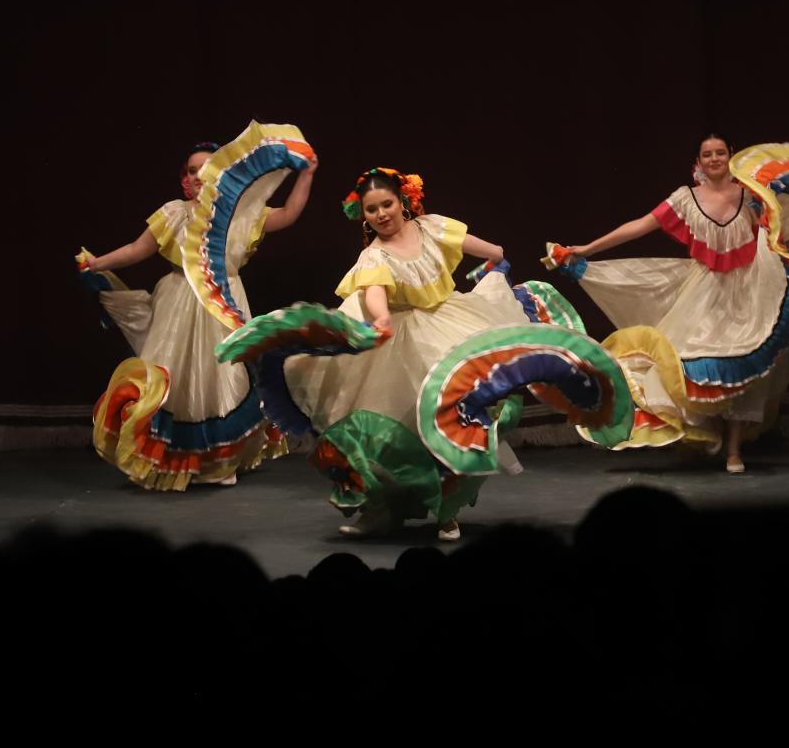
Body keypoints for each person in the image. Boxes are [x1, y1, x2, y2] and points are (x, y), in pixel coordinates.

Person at [547, 134, 789, 473]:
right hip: (706, 292)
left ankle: (734, 450)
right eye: (708, 154)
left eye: (721, 152)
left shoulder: (752, 195)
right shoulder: (685, 199)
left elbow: (780, 235)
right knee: (688, 360)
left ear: (731, 156)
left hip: (751, 291)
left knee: (744, 362)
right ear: (699, 161)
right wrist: (587, 249)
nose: (715, 158)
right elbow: (639, 226)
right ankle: (703, 434)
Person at [278, 167, 519, 540]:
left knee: (453, 416)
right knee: (392, 428)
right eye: (371, 210)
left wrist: (494, 256)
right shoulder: (374, 256)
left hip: (448, 325)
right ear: (364, 215)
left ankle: (446, 511)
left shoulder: (431, 227)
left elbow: (480, 245)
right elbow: (374, 291)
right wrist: (382, 317)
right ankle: (379, 510)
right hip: (400, 341)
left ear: (402, 202)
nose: (381, 214)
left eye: (387, 204)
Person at [79, 120, 315, 490]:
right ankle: (173, 457)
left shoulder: (241, 213)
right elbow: (137, 249)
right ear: (183, 178)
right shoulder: (173, 212)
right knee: (178, 376)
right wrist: (99, 263)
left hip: (223, 299)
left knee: (223, 376)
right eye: (191, 171)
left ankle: (221, 461)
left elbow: (287, 215)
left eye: (206, 169)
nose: (198, 176)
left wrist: (306, 175)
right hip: (178, 300)